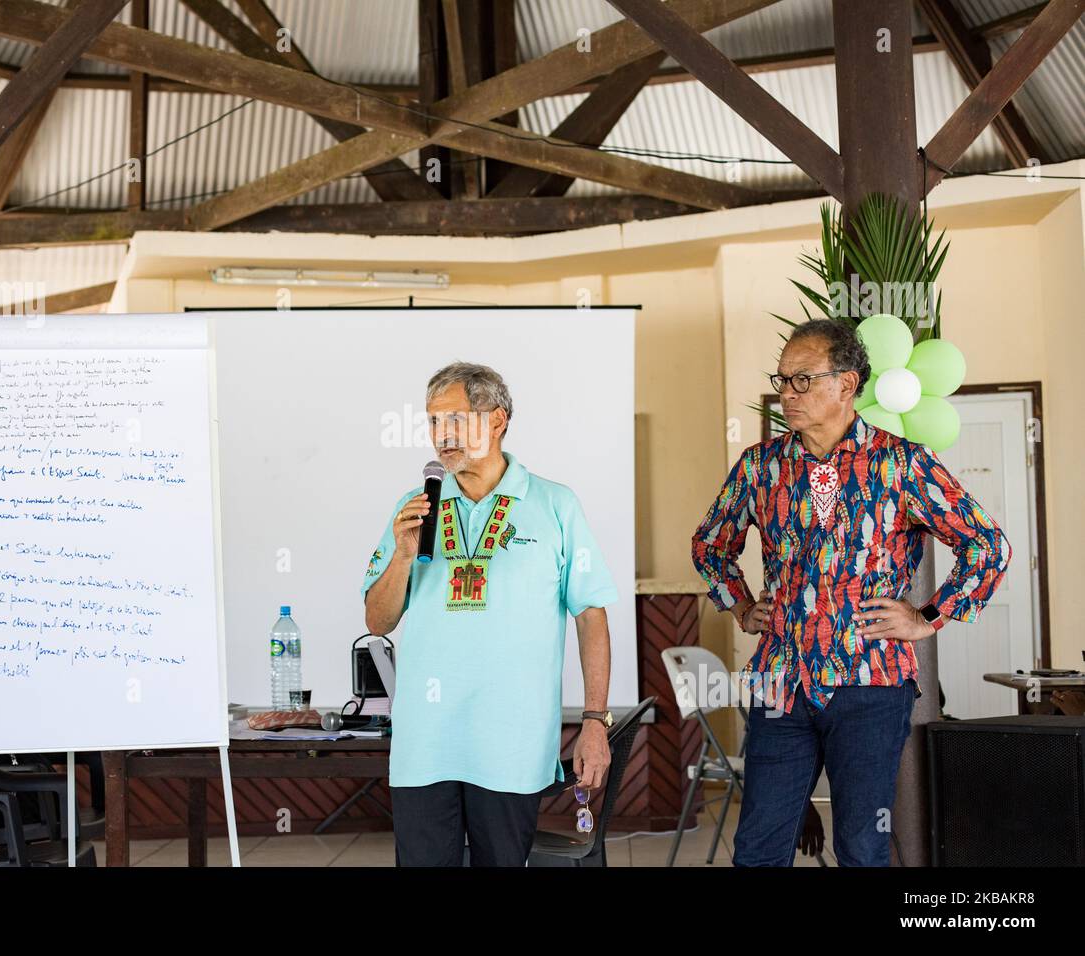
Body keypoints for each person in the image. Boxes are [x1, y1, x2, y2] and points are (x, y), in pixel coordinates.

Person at [691, 319, 1010, 866]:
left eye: (803, 380)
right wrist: (742, 607)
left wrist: (929, 616)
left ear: (847, 383)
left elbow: (987, 545)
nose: (787, 393)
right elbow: (709, 544)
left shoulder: (904, 463)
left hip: (871, 685)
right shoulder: (760, 466)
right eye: (783, 379)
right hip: (779, 682)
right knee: (758, 847)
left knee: (862, 846)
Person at [363, 362, 619, 866]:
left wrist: (594, 721)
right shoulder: (414, 508)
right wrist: (402, 555)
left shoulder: (554, 504)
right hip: (424, 743)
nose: (441, 435)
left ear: (498, 420)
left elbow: (591, 616)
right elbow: (378, 621)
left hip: (512, 743)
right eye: (433, 422)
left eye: (454, 419)